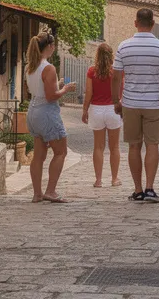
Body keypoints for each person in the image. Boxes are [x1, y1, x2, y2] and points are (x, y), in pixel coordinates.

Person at [112, 8, 159, 203]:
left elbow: (116, 76)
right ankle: (149, 188)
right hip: (154, 102)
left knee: (134, 146)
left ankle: (137, 189)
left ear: (135, 23)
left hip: (130, 102)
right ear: (153, 24)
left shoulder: (124, 47)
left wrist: (116, 100)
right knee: (152, 144)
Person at [25, 32, 75, 203]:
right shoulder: (49, 68)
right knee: (61, 151)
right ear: (50, 47)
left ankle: (37, 193)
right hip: (46, 112)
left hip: (33, 111)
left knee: (39, 155)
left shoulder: (30, 66)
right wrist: (66, 89)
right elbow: (51, 96)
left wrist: (57, 85)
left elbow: (40, 89)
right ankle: (51, 191)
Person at [82, 41, 122, 188]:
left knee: (98, 147)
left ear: (97, 55)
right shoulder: (116, 71)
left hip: (96, 110)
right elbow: (121, 91)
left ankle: (98, 180)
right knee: (115, 147)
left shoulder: (92, 71)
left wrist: (85, 110)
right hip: (112, 109)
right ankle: (114, 178)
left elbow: (89, 94)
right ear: (111, 55)